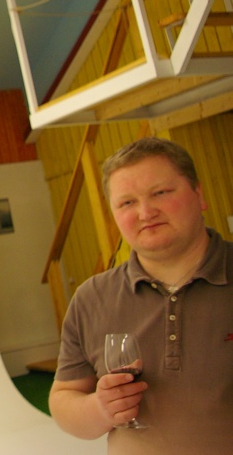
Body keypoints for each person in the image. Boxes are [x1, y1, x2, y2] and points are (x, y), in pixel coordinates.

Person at [49, 137, 232, 454]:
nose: (146, 213)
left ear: (199, 194)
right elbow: (64, 397)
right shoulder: (91, 298)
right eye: (127, 203)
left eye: (160, 193)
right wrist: (100, 409)